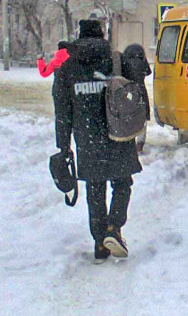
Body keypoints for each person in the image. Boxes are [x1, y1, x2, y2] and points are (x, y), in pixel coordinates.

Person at [52, 19, 142, 262]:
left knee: (95, 189)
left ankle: (99, 243)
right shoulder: (116, 59)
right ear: (102, 35)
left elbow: (62, 111)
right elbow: (138, 84)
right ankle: (114, 228)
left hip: (86, 137)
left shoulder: (67, 67)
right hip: (118, 132)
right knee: (122, 183)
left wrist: (63, 145)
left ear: (79, 36)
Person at [122, 43, 152, 152]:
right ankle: (140, 144)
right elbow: (149, 72)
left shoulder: (124, 63)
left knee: (129, 117)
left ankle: (129, 141)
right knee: (142, 117)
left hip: (127, 92)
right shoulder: (142, 63)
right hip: (141, 91)